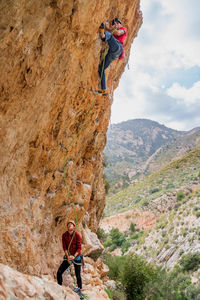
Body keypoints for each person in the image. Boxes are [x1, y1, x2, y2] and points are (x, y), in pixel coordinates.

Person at [98, 17, 127, 95]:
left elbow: (118, 33)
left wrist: (108, 28)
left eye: (117, 23)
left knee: (110, 35)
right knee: (101, 69)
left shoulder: (123, 29)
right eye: (114, 23)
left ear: (120, 24)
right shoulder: (113, 29)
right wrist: (109, 28)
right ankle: (104, 89)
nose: (116, 24)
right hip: (112, 53)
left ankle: (103, 36)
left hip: (118, 47)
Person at [57, 220, 83, 297]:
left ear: (74, 226)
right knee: (59, 272)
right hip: (68, 257)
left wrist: (73, 256)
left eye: (71, 224)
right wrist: (68, 256)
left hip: (76, 257)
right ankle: (59, 287)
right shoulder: (64, 235)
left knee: (78, 275)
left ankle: (79, 290)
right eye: (68, 224)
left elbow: (79, 248)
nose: (69, 225)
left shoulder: (77, 235)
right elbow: (64, 247)